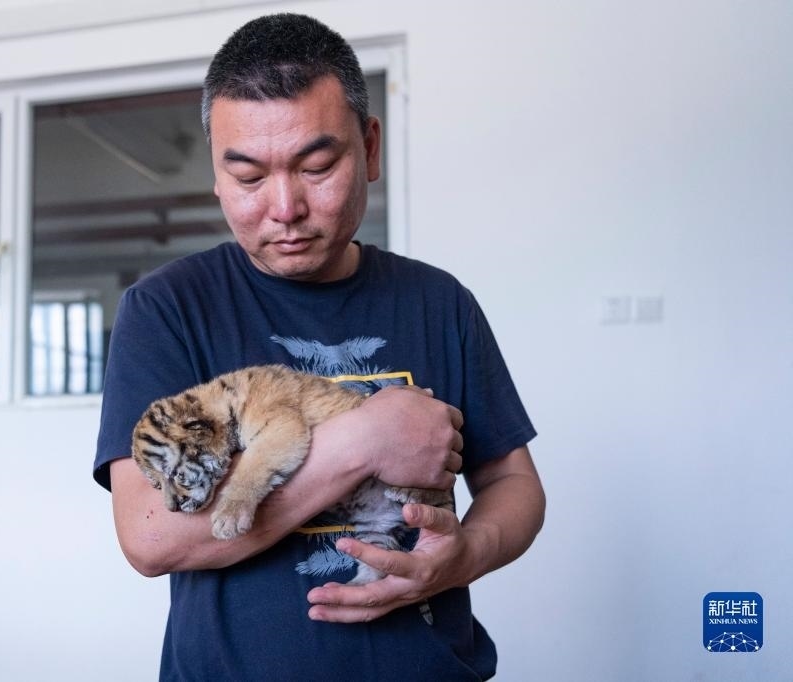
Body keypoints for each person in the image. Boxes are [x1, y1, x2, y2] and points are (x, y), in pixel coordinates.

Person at [93, 12, 545, 681]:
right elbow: (151, 536)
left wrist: (465, 554)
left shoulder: (439, 300)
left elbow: (512, 483)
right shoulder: (165, 308)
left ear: (370, 148)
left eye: (316, 166)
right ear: (217, 174)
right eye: (248, 178)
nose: (285, 207)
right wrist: (364, 440)